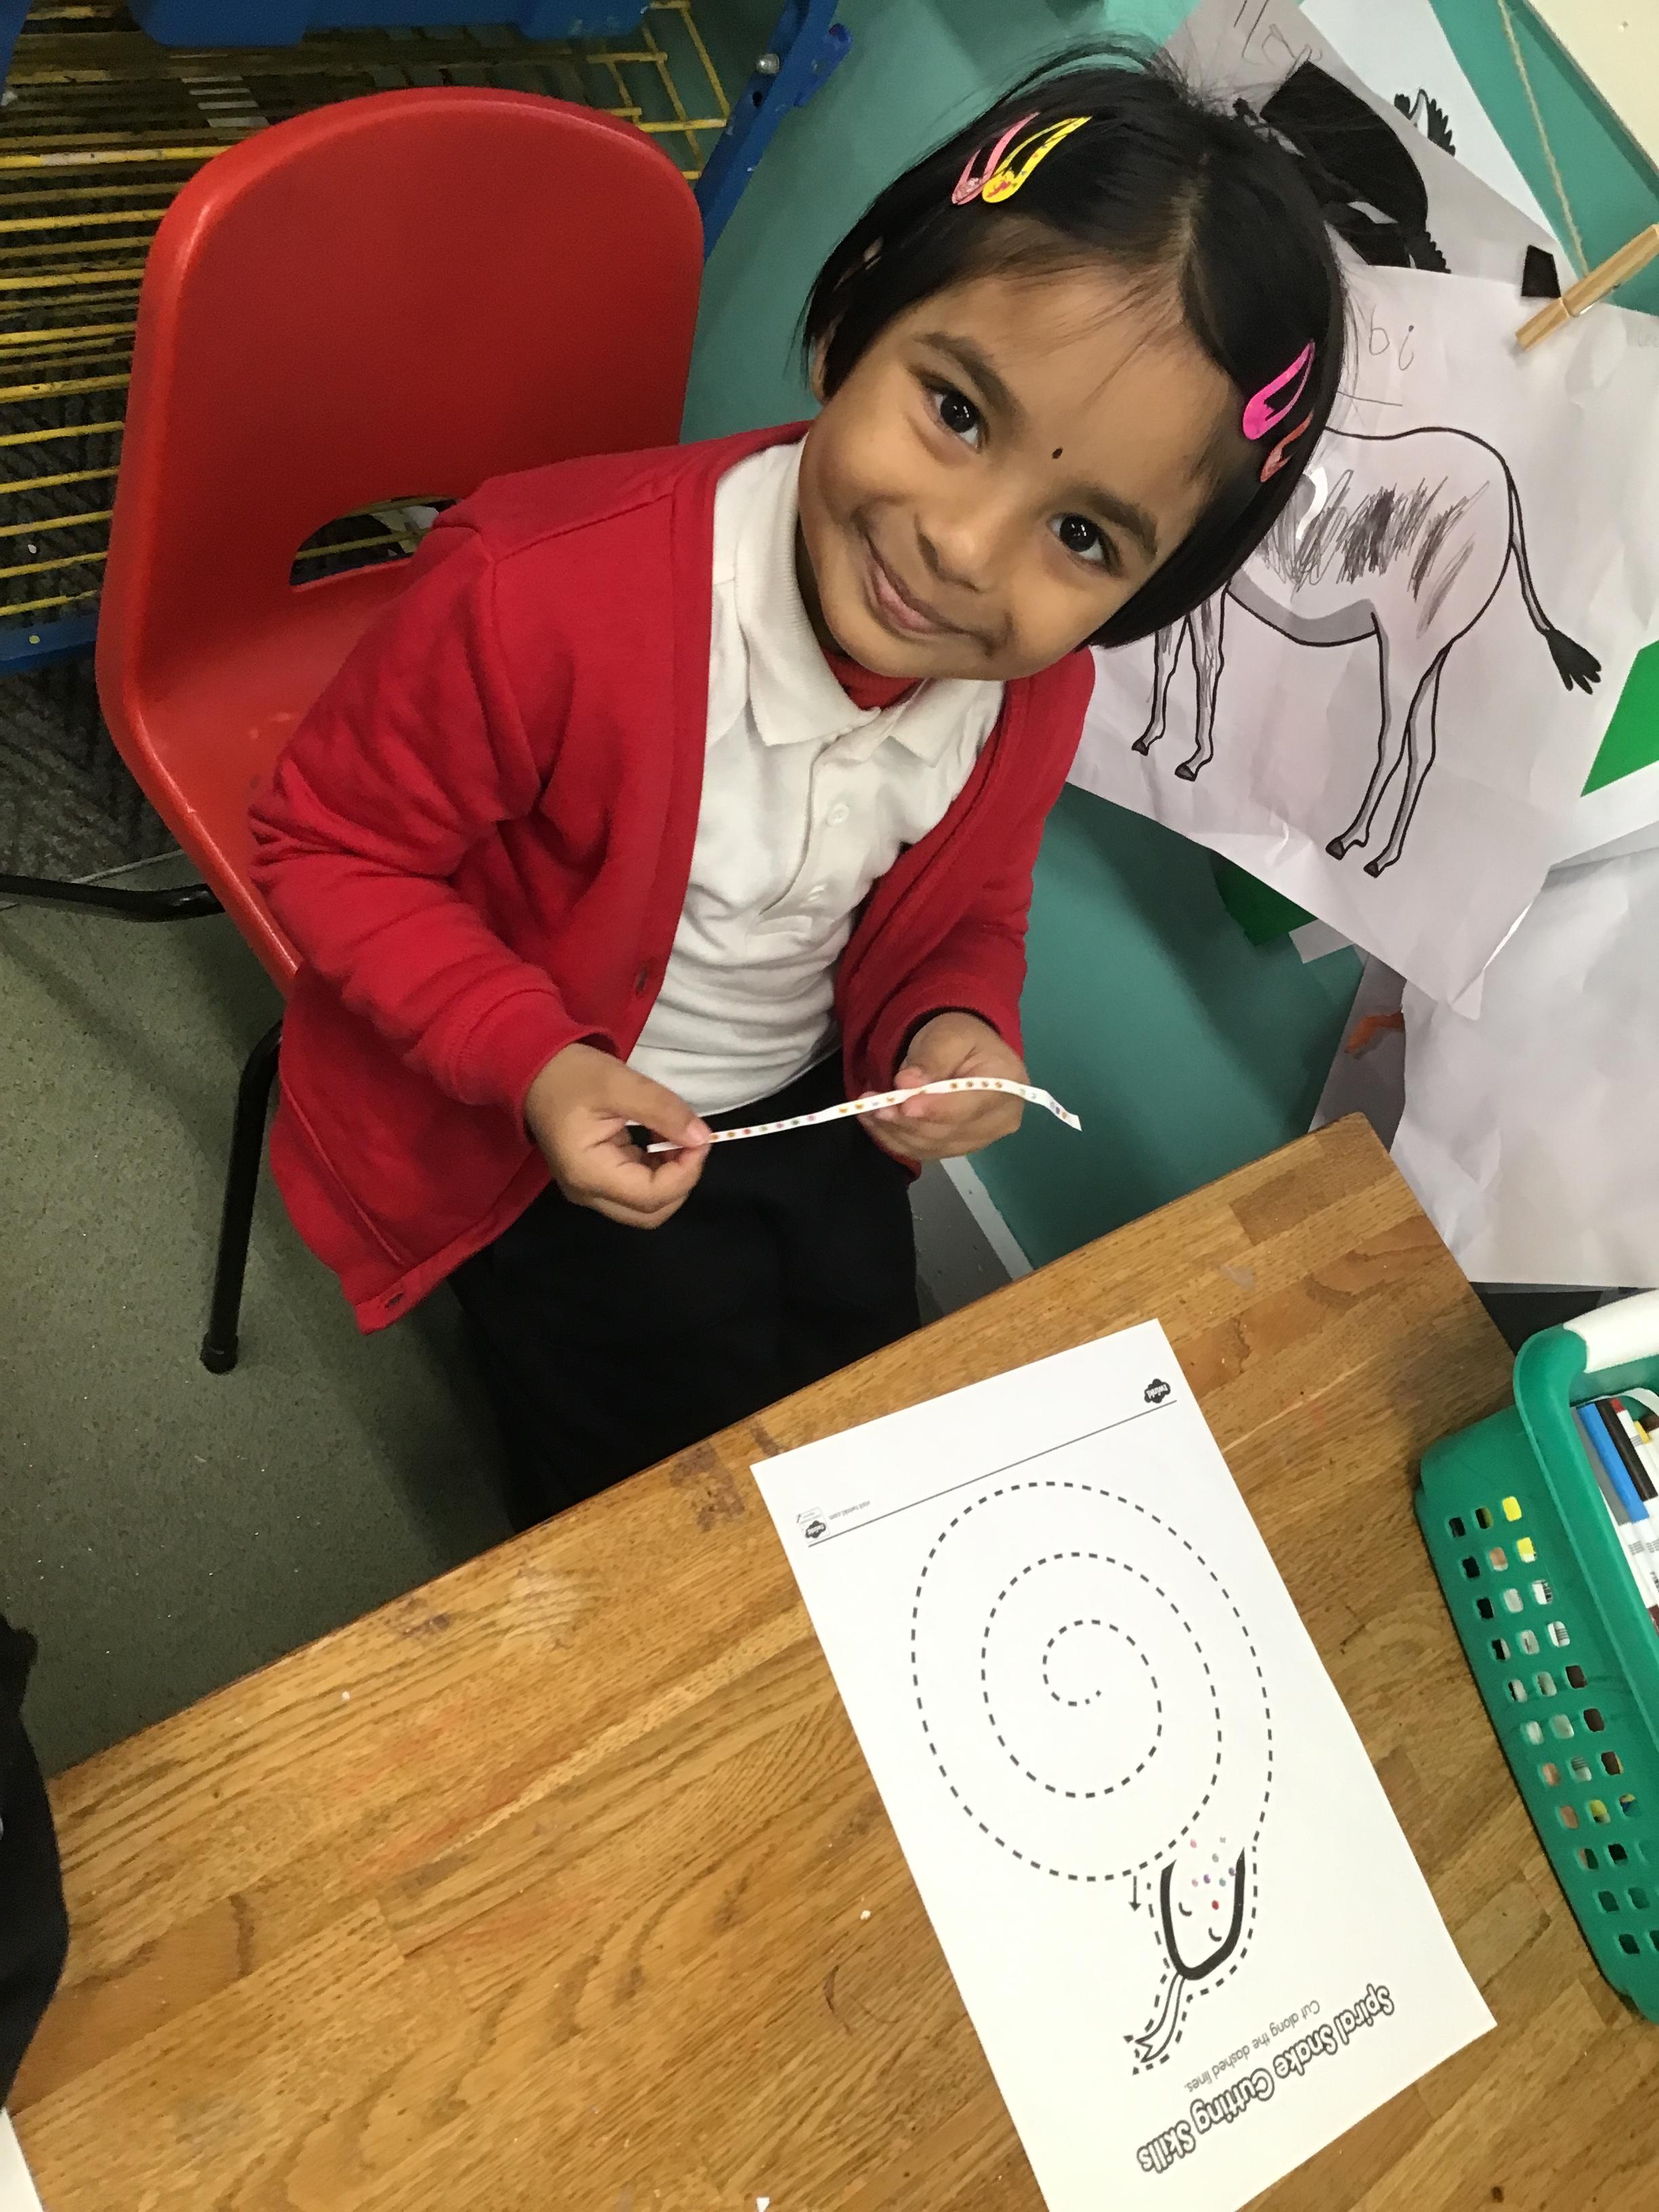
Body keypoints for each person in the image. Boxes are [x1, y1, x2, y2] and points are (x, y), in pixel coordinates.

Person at [249, 54, 1346, 1528]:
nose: (964, 550)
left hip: (810, 1107)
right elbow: (327, 848)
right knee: (647, 1495)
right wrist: (539, 1063)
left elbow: (970, 910)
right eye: (957, 410)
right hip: (545, 1121)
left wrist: (954, 1023)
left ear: (1147, 593)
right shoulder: (538, 597)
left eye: (1083, 535)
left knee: (860, 1395)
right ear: (852, 323)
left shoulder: (1030, 692)